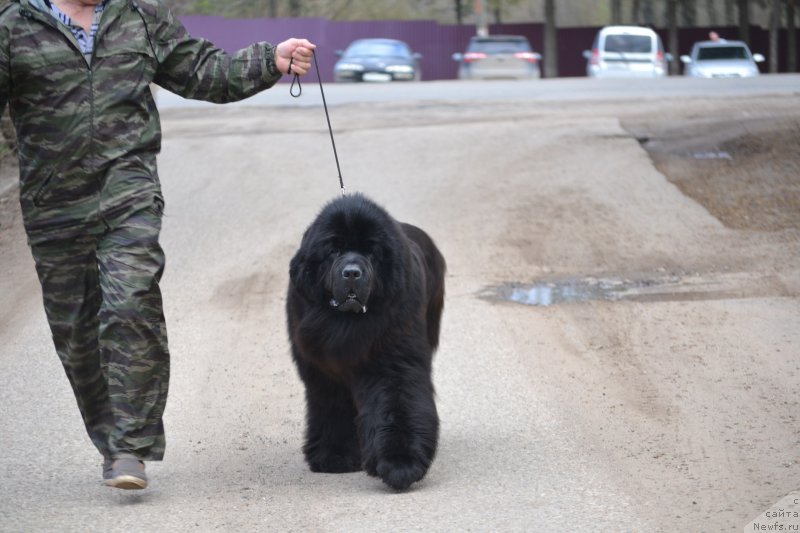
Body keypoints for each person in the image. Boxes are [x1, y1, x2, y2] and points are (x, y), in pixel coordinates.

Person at [0, 0, 315, 490]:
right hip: (53, 208)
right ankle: (112, 444)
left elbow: (203, 71)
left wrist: (268, 60)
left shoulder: (140, 18)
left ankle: (131, 447)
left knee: (132, 301)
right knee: (79, 333)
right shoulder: (14, 27)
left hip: (129, 194)